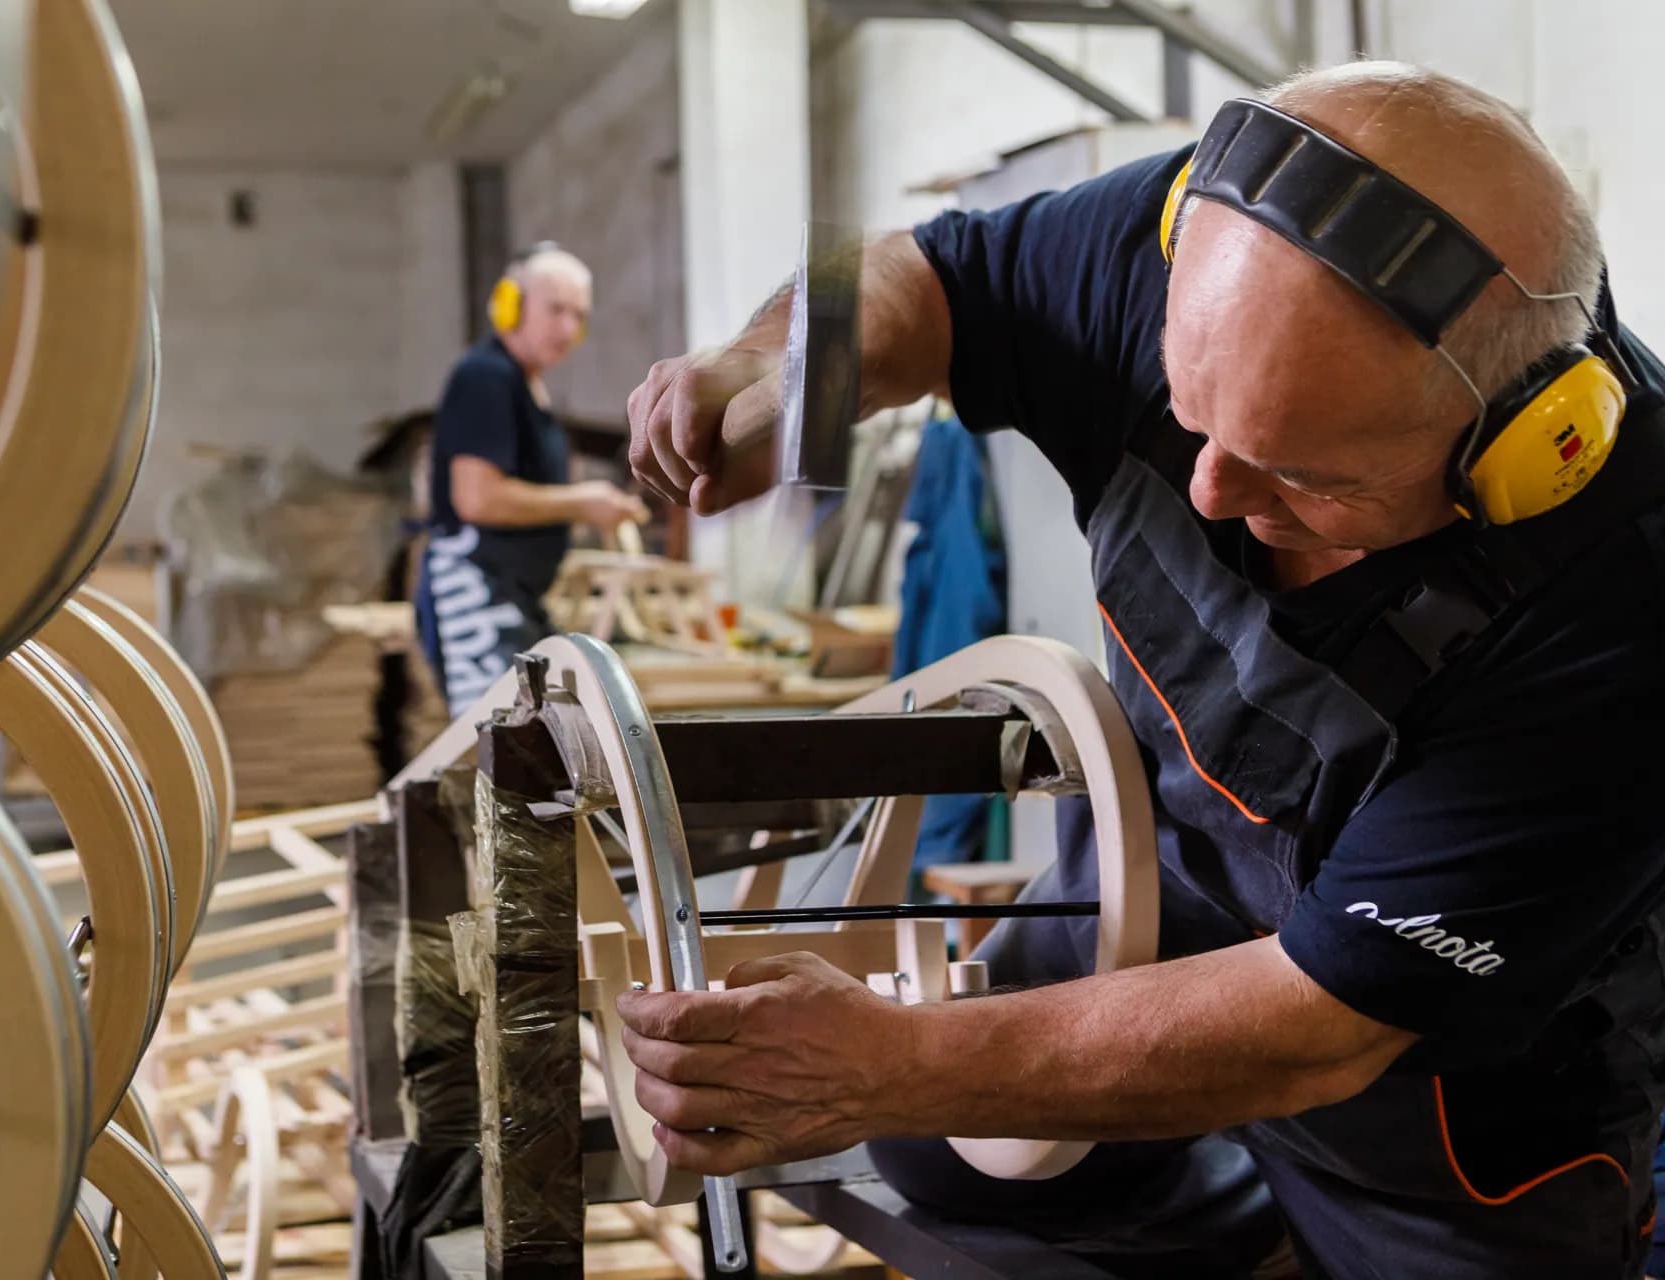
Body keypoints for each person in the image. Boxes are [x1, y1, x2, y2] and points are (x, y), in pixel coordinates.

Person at [617, 62, 1665, 1278]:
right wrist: (780, 362)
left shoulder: (1621, 599)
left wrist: (887, 1061)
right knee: (941, 1152)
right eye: (1191, 410)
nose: (1209, 488)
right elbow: (931, 275)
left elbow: (1319, 1023)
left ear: (1527, 450)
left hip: (1428, 1084)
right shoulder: (1197, 240)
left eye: (1302, 474)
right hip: (1151, 892)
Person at [416, 243, 647, 714]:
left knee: (544, 725)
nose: (568, 329)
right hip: (476, 592)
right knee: (504, 734)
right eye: (555, 309)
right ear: (511, 306)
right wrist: (582, 502)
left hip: (511, 591)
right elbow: (477, 499)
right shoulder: (486, 376)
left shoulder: (523, 383)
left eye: (578, 315)